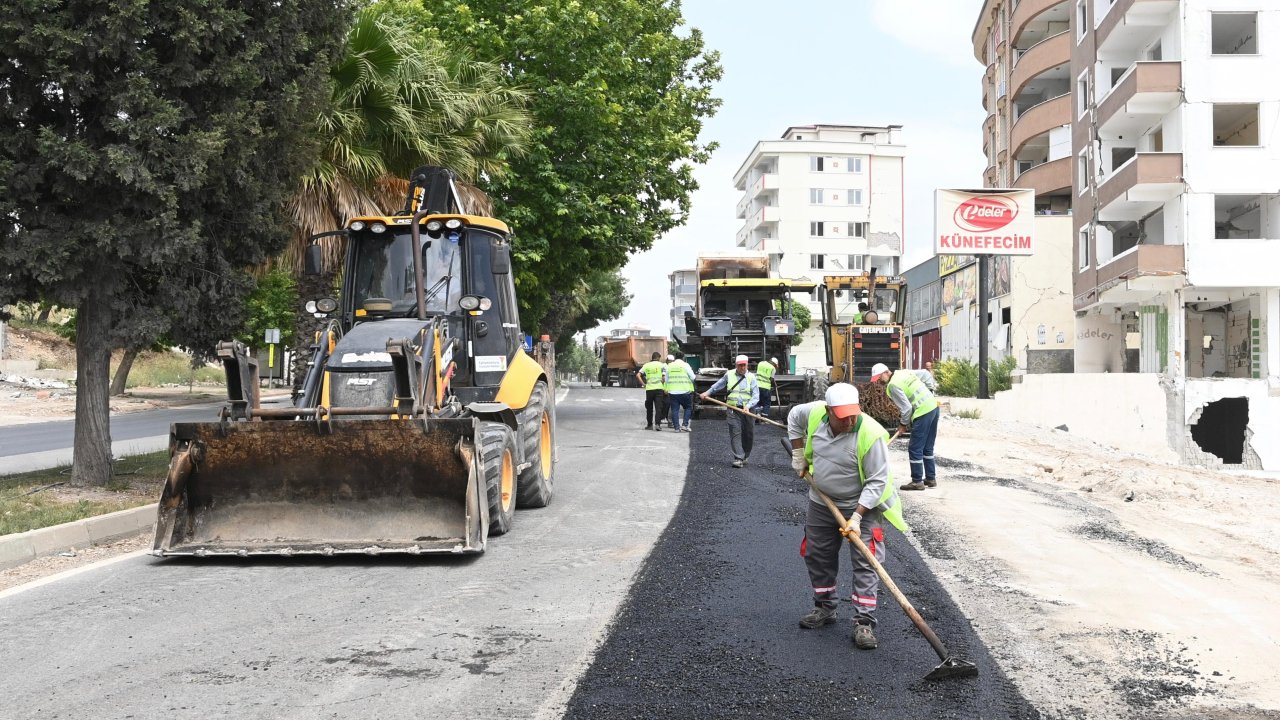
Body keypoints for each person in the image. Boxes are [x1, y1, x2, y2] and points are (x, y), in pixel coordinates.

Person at [788, 382, 907, 650]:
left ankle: (864, 622)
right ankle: (825, 606)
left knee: (867, 561)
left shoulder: (871, 434)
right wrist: (798, 454)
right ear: (829, 411)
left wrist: (857, 516)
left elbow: (877, 482)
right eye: (843, 417)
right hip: (822, 501)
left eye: (854, 414)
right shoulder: (814, 413)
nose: (850, 421)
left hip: (862, 505)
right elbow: (794, 416)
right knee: (817, 554)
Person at [870, 362, 940, 491]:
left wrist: (902, 425)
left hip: (923, 411)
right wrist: (930, 391)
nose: (878, 382)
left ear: (886, 372)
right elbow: (925, 373)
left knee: (915, 448)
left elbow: (906, 408)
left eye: (879, 378)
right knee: (927, 447)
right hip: (934, 407)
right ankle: (930, 478)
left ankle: (917, 481)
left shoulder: (892, 386)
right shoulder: (903, 372)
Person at [700, 355, 758, 468]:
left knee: (748, 434)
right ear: (736, 365)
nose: (742, 367)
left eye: (744, 365)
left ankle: (746, 455)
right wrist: (707, 393)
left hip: (749, 410)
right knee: (735, 433)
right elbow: (718, 385)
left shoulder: (752, 377)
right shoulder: (729, 374)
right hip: (733, 410)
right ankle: (738, 458)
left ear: (747, 365)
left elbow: (756, 395)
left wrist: (748, 406)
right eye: (740, 365)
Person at [666, 351, 696, 432]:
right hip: (685, 391)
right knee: (688, 408)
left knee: (675, 410)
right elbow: (693, 377)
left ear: (675, 357)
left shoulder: (670, 365)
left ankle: (676, 428)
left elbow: (666, 380)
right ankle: (684, 425)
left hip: (673, 392)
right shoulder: (685, 365)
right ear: (683, 357)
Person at [636, 352, 666, 430]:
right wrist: (662, 382)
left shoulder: (646, 365)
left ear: (652, 357)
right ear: (658, 358)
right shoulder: (661, 365)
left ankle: (649, 425)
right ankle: (657, 424)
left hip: (649, 389)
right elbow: (663, 378)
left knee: (649, 408)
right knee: (658, 407)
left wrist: (643, 384)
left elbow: (638, 375)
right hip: (659, 389)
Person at [754, 356, 778, 421]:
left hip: (757, 386)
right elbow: (771, 379)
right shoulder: (773, 368)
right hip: (766, 388)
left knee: (757, 401)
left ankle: (757, 413)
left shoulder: (761, 363)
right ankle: (764, 418)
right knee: (767, 403)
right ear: (774, 363)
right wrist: (775, 385)